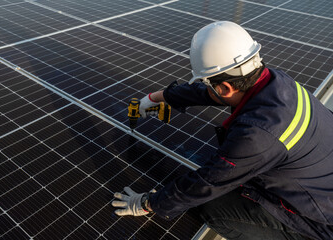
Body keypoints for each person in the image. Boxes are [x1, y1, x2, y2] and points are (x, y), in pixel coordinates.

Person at [112, 21, 333, 240]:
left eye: (209, 83)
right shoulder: (277, 81)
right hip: (320, 179)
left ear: (224, 87)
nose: (208, 88)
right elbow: (211, 92)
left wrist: (149, 203)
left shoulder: (256, 137)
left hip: (322, 220)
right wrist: (157, 97)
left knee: (211, 206)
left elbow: (208, 182)